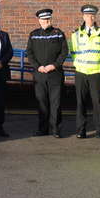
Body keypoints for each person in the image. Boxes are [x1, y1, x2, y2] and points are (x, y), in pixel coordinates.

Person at [68, 4, 100, 139]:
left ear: (95, 16)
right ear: (83, 16)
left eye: (92, 15)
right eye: (87, 15)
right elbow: (73, 52)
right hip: (80, 72)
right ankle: (81, 130)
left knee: (98, 103)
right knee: (81, 103)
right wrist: (79, 64)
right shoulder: (75, 34)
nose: (90, 18)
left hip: (96, 72)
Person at [26, 8, 68, 138]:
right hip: (40, 75)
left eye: (48, 19)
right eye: (43, 19)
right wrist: (37, 67)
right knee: (42, 103)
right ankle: (43, 129)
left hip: (55, 74)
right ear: (39, 20)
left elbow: (64, 52)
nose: (46, 21)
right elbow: (30, 53)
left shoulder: (58, 33)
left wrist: (54, 65)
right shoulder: (33, 34)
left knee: (56, 103)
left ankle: (55, 129)